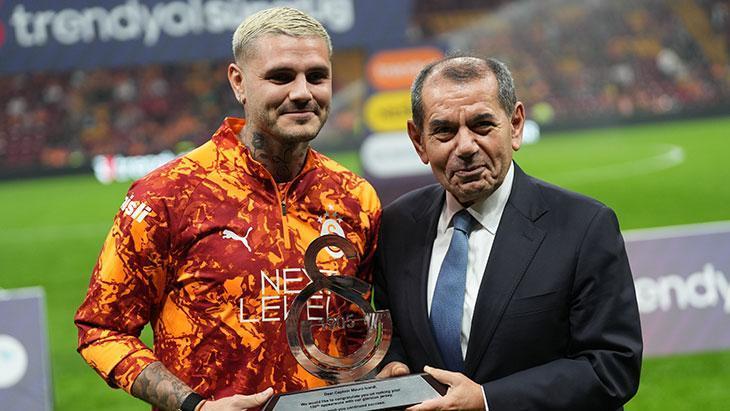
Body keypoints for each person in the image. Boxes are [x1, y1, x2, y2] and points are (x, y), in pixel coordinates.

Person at [74, 7, 381, 411]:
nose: (302, 92)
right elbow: (101, 328)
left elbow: (359, 329)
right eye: (281, 77)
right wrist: (194, 406)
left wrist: (383, 371)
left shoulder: (355, 197)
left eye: (317, 76)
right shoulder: (169, 194)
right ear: (239, 82)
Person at [374, 55, 642, 410]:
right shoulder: (396, 226)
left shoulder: (584, 226)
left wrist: (487, 400)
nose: (465, 147)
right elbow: (391, 333)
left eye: (482, 125)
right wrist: (392, 364)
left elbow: (612, 366)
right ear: (418, 140)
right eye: (444, 131)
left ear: (515, 125)